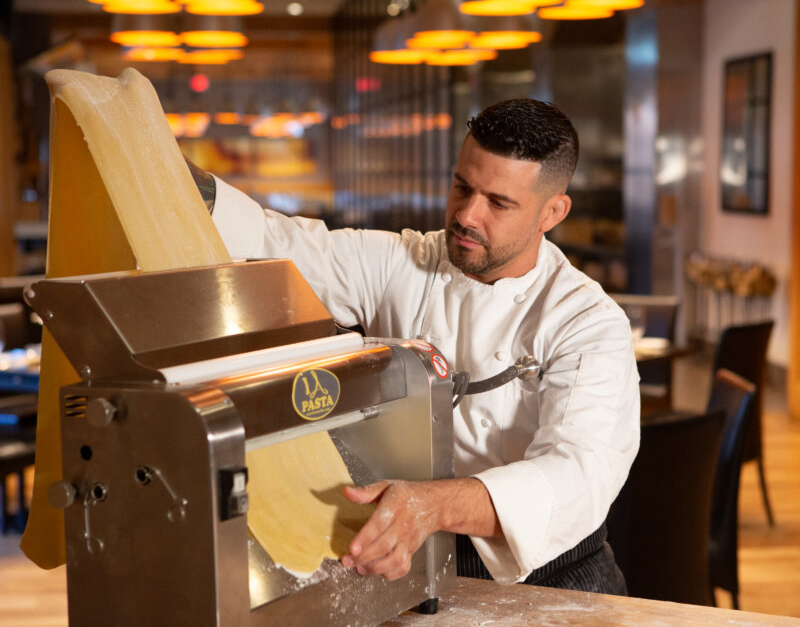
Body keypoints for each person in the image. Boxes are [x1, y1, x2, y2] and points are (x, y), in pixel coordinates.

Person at [195, 98, 639, 594]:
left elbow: (578, 475)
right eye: (461, 187)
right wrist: (160, 165)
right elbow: (275, 242)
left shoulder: (587, 321)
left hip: (556, 578)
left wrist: (432, 505)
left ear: (551, 212)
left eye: (498, 203)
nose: (467, 215)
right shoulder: (405, 262)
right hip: (412, 562)